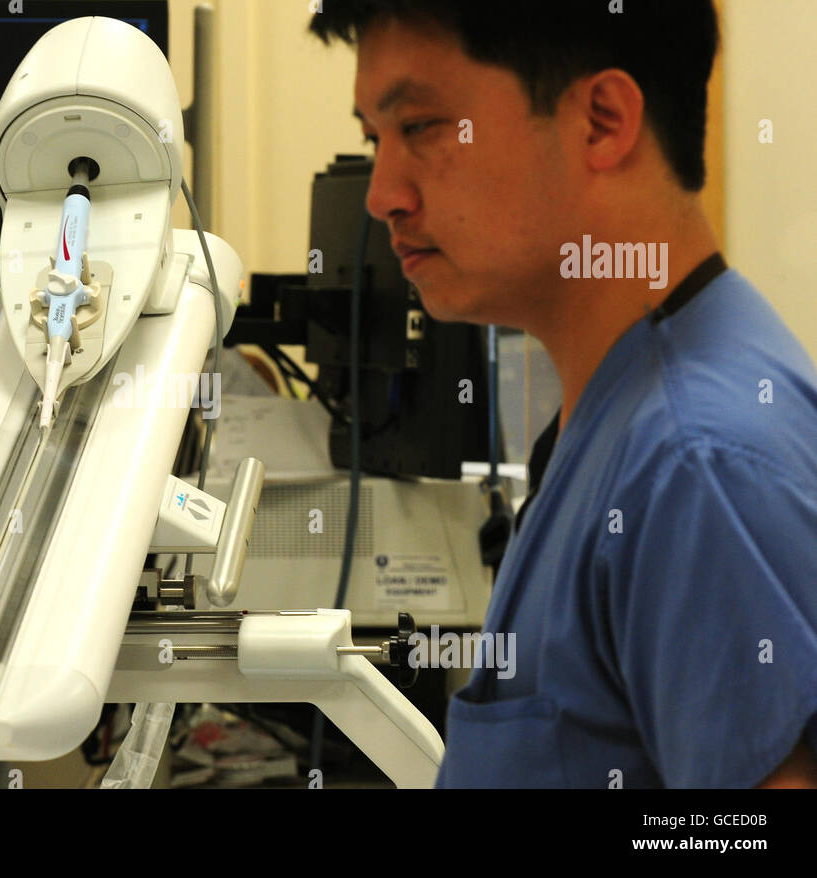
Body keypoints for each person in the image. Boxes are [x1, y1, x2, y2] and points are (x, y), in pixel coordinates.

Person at [309, 0, 817, 788]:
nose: (383, 195)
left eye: (422, 128)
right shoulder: (617, 413)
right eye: (374, 139)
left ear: (602, 120)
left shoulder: (696, 466)